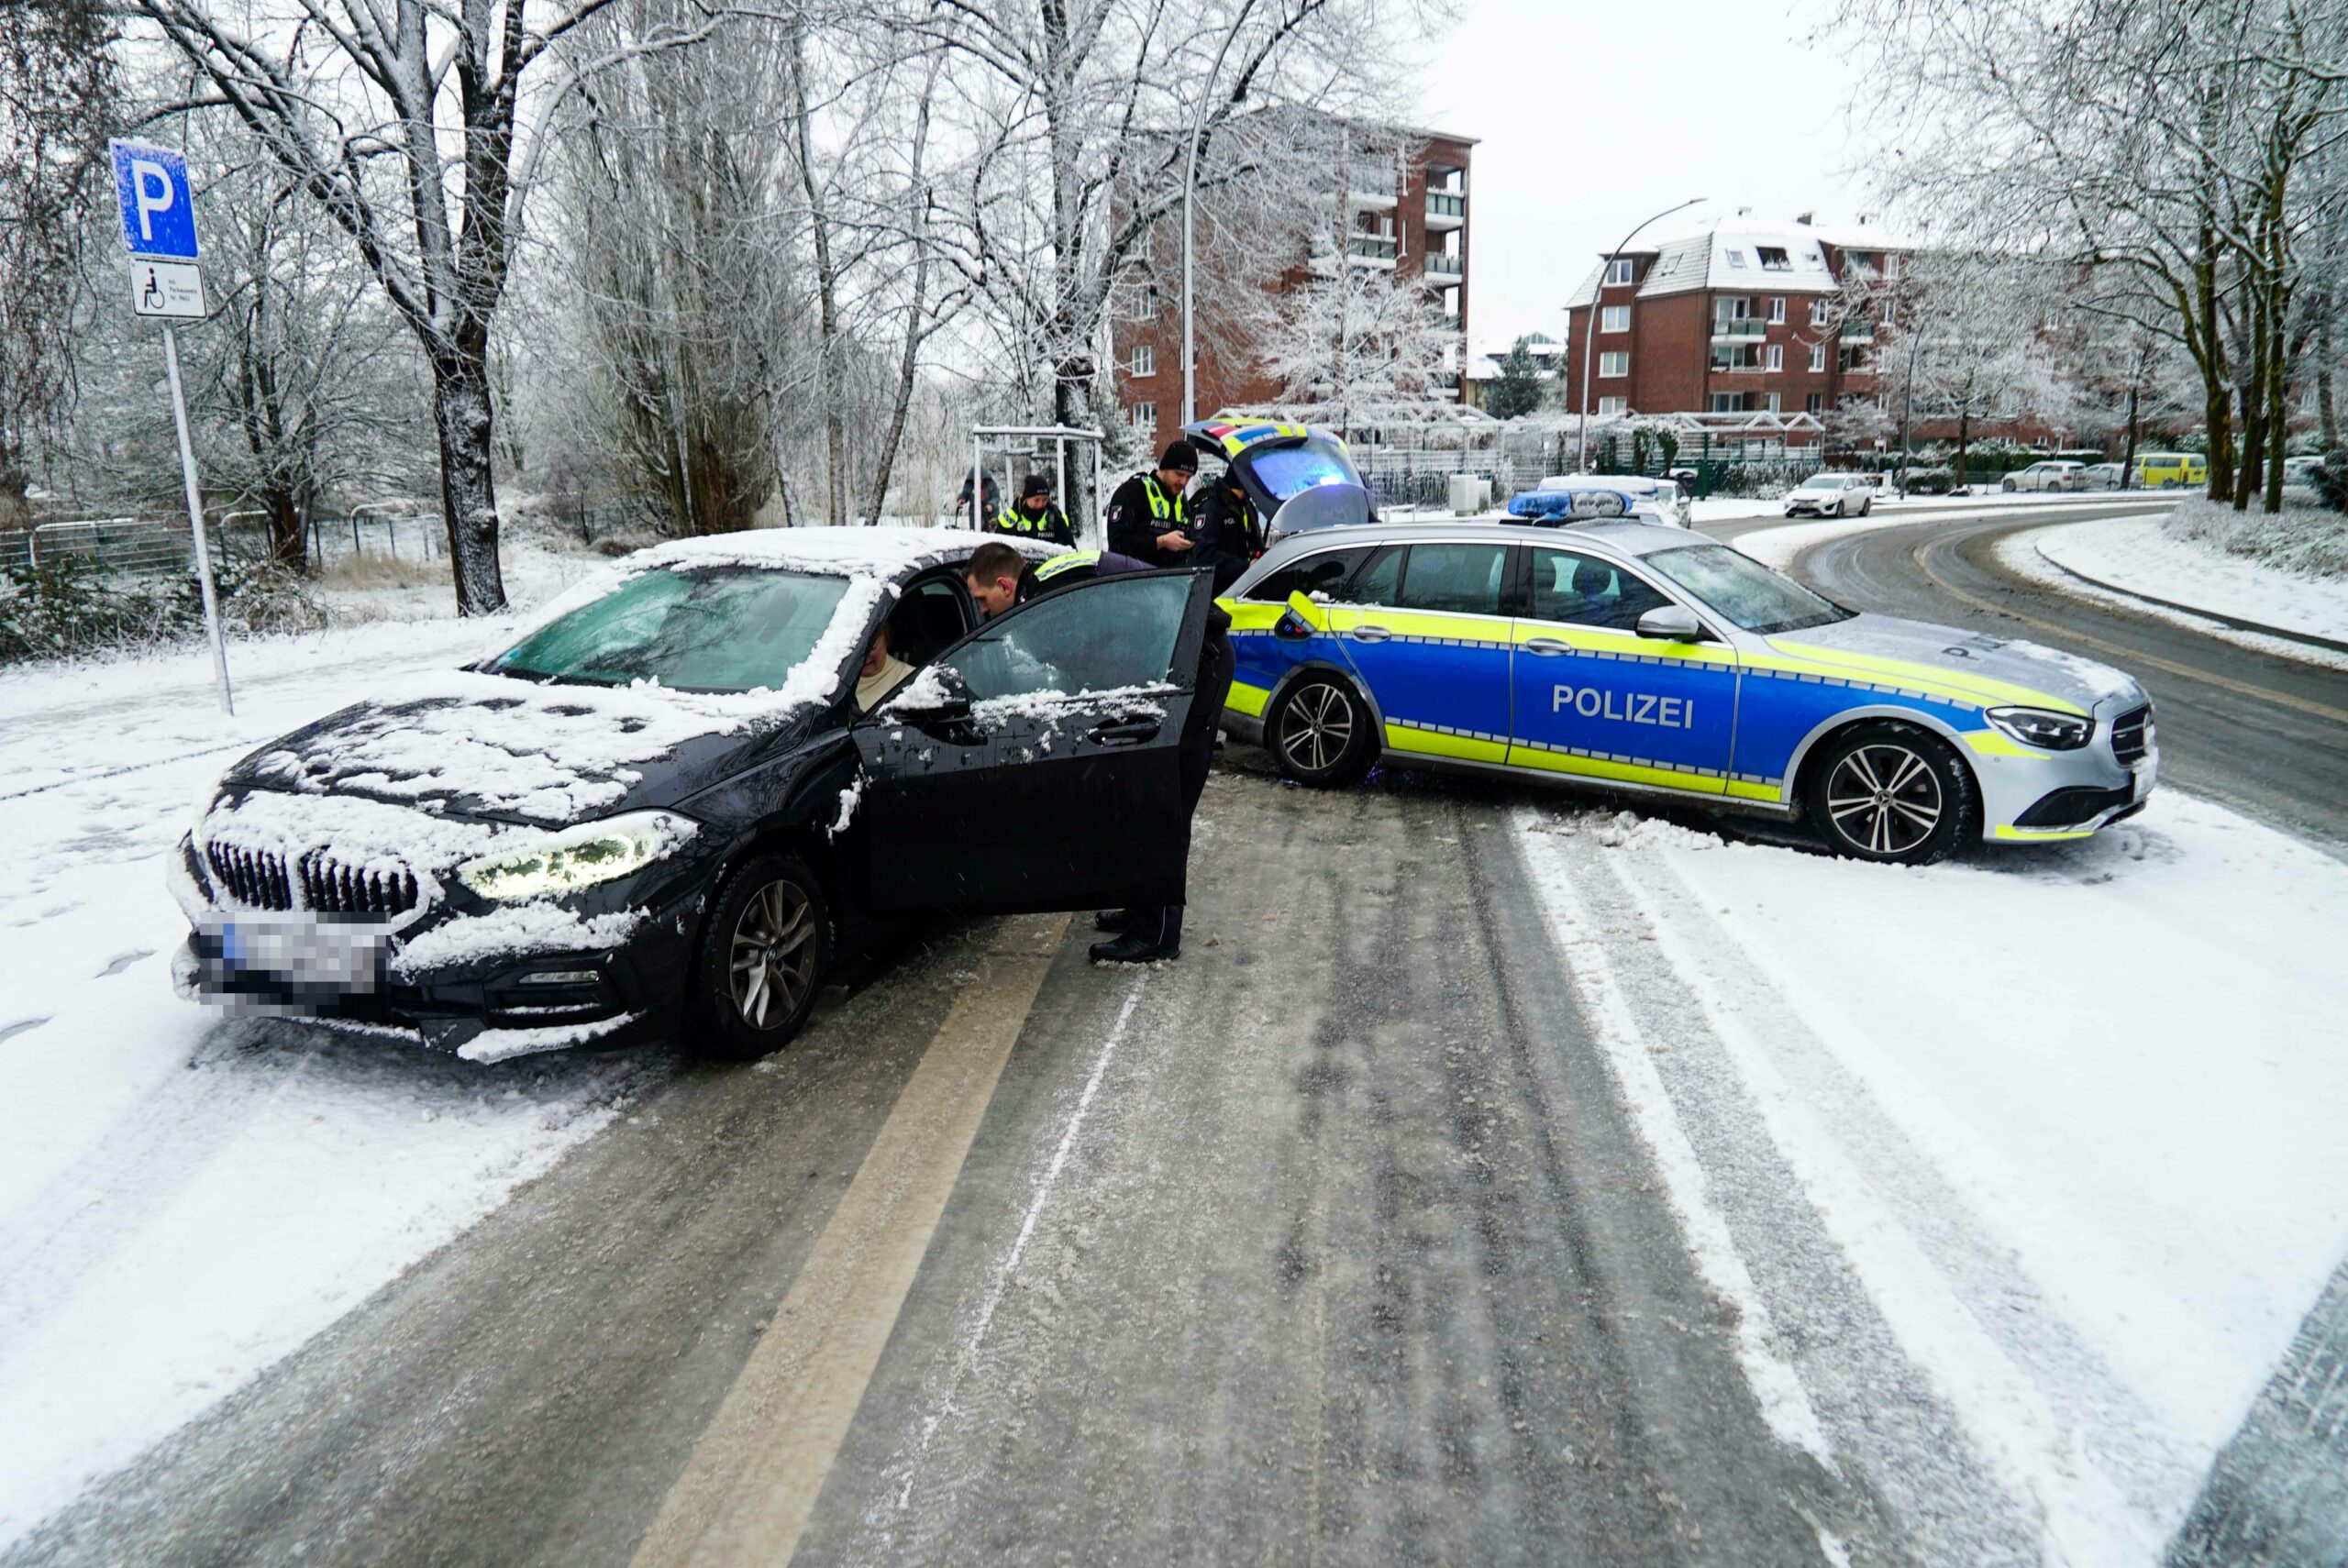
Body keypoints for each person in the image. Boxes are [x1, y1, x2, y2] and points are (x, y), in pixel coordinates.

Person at [958, 538, 1232, 965]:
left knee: (1164, 796)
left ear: (1005, 585)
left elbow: (1096, 667)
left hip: (1197, 661)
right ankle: (1141, 905)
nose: (983, 612)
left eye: (982, 599)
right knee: (1140, 789)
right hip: (1171, 652)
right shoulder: (1045, 585)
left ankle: (1157, 932)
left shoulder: (1049, 608)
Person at [1104, 441, 1199, 568]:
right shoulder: (1133, 492)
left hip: (1171, 582)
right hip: (1134, 581)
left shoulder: (1181, 501)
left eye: (1188, 477)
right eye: (1179, 474)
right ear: (1165, 467)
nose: (1183, 482)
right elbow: (1117, 544)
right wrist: (1161, 542)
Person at [1187, 464, 1265, 594]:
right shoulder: (1211, 507)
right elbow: (1204, 556)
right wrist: (1244, 566)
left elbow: (1253, 542)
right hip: (1214, 592)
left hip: (1242, 587)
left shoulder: (1247, 507)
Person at [991, 474, 1075, 547]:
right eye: (1037, 500)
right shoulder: (1010, 517)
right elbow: (996, 550)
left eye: (1044, 500)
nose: (1040, 504)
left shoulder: (1054, 517)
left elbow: (1070, 549)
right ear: (1026, 498)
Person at [855, 622, 914, 711]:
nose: (865, 658)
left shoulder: (912, 681)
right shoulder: (834, 682)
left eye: (872, 647)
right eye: (857, 649)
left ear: (886, 638)